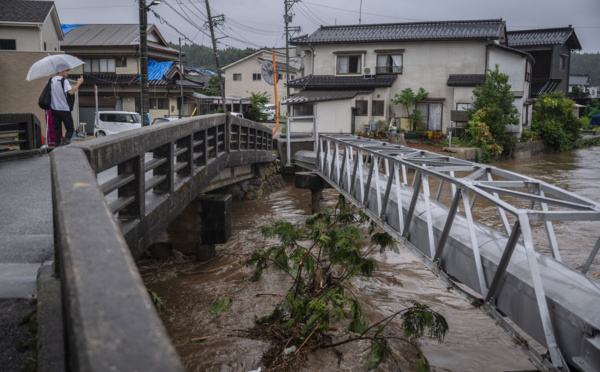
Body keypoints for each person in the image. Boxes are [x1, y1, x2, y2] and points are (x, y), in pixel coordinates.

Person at [51, 65, 83, 146]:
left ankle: (57, 145)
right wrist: (78, 83)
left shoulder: (51, 80)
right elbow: (71, 92)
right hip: (64, 108)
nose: (67, 72)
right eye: (66, 71)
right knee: (70, 128)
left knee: (57, 129)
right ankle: (66, 140)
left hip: (54, 108)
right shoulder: (64, 81)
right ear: (61, 71)